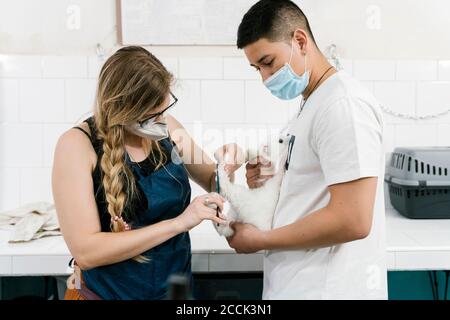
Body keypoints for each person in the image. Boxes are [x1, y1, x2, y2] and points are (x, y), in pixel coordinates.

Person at [226, 0, 387, 299]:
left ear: (299, 41)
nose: (264, 78)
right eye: (257, 68)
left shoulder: (342, 105)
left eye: (268, 62)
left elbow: (353, 219)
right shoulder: (311, 104)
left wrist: (261, 238)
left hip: (328, 289)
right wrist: (268, 177)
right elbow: (310, 190)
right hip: (298, 285)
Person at [52, 46, 239, 300]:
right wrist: (178, 223)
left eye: (164, 108)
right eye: (153, 114)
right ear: (124, 110)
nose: (163, 119)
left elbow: (212, 179)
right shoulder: (76, 145)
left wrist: (229, 165)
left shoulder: (169, 128)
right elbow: (86, 252)